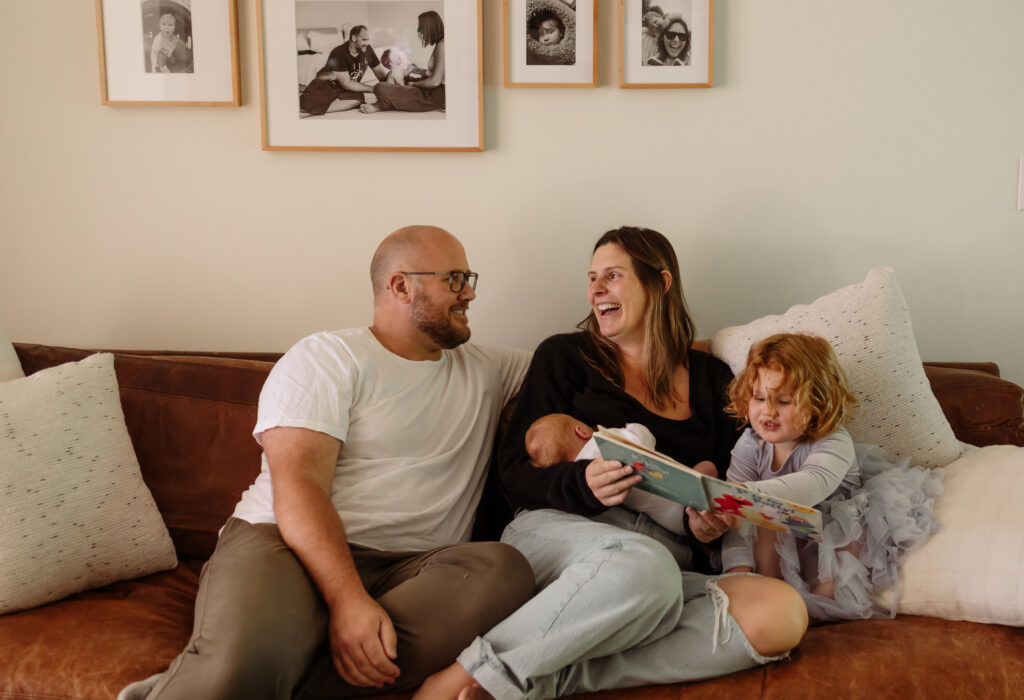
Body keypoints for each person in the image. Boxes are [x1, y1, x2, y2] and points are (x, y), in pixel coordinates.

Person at [119, 226, 535, 700]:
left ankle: (230, 686)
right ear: (402, 286)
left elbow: (578, 364)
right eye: (456, 279)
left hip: (414, 570)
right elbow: (299, 487)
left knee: (506, 569)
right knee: (240, 665)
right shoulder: (328, 357)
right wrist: (348, 601)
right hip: (284, 544)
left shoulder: (487, 368)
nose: (471, 293)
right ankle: (228, 679)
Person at [415, 226, 809, 700]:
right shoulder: (565, 357)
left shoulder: (714, 380)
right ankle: (463, 677)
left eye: (613, 276)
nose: (595, 289)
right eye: (592, 277)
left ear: (660, 284)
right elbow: (514, 471)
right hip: (560, 532)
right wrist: (584, 481)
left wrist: (708, 524)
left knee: (780, 613)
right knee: (644, 569)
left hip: (666, 556)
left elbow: (729, 485)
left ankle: (541, 677)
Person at [721, 333, 943, 621]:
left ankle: (811, 609)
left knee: (840, 541)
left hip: (830, 529)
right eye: (759, 398)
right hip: (780, 534)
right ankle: (762, 588)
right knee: (756, 516)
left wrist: (741, 495)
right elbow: (733, 516)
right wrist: (736, 572)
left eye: (785, 401)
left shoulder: (833, 441)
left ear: (818, 402)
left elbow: (811, 485)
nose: (768, 411)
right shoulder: (750, 444)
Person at [524, 413, 718, 536]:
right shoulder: (605, 445)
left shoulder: (585, 478)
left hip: (672, 522)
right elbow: (643, 443)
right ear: (581, 430)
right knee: (708, 467)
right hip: (684, 492)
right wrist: (632, 428)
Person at [363, 11, 445, 114]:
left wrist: (414, 84)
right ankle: (386, 102)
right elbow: (439, 73)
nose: (420, 32)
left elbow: (435, 82)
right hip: (432, 89)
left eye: (421, 28)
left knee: (379, 88)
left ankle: (382, 105)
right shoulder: (441, 44)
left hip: (433, 95)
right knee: (397, 78)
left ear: (429, 27)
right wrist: (420, 71)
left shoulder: (442, 45)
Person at [300, 25, 389, 115]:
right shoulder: (339, 52)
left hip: (349, 87)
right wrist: (374, 89)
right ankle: (312, 109)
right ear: (354, 38)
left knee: (358, 101)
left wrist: (389, 87)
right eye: (364, 40)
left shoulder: (368, 50)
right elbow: (347, 84)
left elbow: (379, 72)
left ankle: (316, 109)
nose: (367, 43)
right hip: (328, 84)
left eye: (368, 40)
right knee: (305, 103)